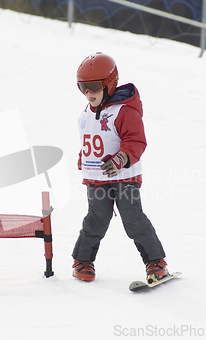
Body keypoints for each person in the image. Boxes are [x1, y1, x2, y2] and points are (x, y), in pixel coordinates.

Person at [72, 52, 168, 283]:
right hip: (97, 179)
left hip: (124, 178)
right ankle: (82, 260)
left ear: (109, 84)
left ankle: (156, 262)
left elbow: (135, 141)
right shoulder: (86, 113)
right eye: (82, 86)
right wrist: (83, 158)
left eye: (93, 86)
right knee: (96, 220)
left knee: (133, 218)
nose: (87, 93)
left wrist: (121, 159)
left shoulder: (124, 111)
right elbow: (91, 141)